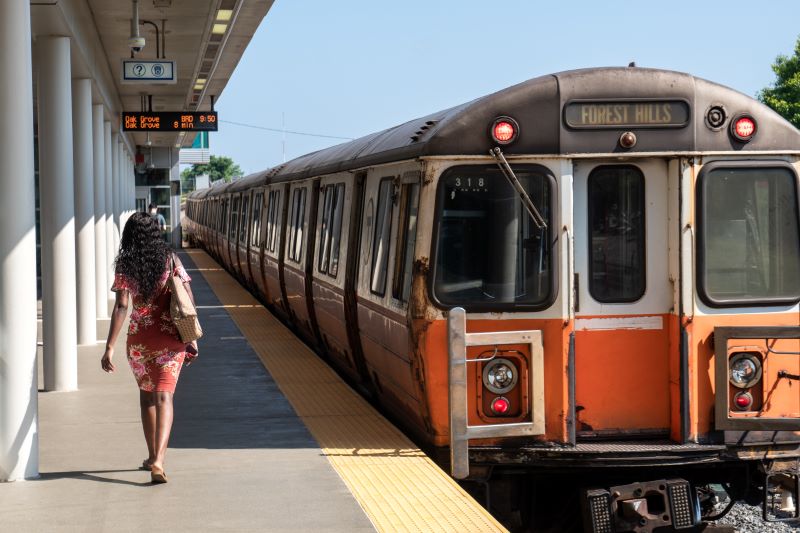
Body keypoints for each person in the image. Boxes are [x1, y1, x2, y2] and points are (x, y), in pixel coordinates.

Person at [101, 212, 198, 484]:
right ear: (156, 232)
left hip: (140, 340)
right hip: (170, 338)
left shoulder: (125, 264)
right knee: (164, 397)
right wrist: (191, 339)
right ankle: (158, 460)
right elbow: (187, 298)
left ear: (130, 235)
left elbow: (121, 306)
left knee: (146, 398)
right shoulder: (171, 259)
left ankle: (151, 454)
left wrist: (109, 347)